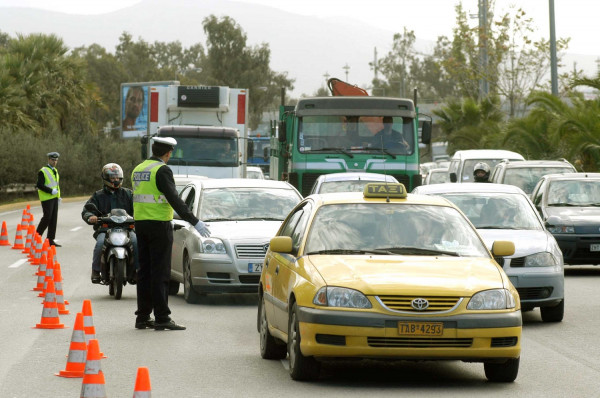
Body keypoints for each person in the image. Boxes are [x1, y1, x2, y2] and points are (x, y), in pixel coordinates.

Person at [131, 137, 211, 331]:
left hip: (141, 224)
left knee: (145, 272)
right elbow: (175, 200)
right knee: (160, 272)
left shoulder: (138, 169)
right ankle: (162, 317)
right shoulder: (162, 170)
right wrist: (195, 221)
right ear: (168, 153)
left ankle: (142, 317)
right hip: (159, 226)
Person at [81, 163, 138, 284]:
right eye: (112, 177)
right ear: (106, 178)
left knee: (136, 242)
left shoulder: (128, 194)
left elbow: (138, 208)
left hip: (127, 228)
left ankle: (136, 271)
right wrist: (91, 217)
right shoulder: (98, 195)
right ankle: (96, 271)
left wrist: (139, 216)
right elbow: (87, 210)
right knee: (100, 244)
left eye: (117, 177)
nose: (116, 180)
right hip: (105, 229)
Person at [36, 152, 61, 247]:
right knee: (47, 218)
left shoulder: (55, 170)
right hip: (47, 198)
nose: (55, 162)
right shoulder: (43, 171)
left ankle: (50, 240)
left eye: (56, 160)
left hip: (54, 198)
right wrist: (50, 191)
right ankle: (37, 236)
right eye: (53, 160)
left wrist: (58, 196)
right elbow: (39, 185)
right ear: (49, 160)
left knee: (53, 219)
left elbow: (56, 185)